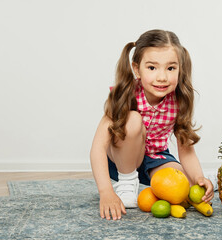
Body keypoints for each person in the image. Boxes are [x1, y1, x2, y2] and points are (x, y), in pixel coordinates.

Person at [90, 29, 214, 221]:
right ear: (137, 69)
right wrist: (105, 191)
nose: (162, 77)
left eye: (170, 68)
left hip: (155, 158)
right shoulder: (125, 94)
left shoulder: (179, 100)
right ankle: (127, 181)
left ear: (180, 69)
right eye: (152, 68)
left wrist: (198, 177)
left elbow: (186, 149)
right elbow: (98, 146)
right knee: (133, 120)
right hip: (120, 160)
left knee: (187, 188)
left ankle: (206, 178)